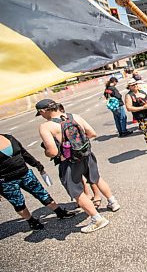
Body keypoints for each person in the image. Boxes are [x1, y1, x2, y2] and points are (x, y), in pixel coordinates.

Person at [36, 99, 121, 233]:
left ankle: (97, 219)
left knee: (77, 192)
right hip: (87, 154)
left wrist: (47, 152)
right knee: (97, 179)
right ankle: (113, 202)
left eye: (40, 113)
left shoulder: (46, 126)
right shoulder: (74, 116)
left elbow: (52, 151)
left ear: (43, 111)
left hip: (69, 161)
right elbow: (92, 133)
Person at [0, 134, 77, 231]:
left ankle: (59, 212)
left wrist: (37, 165)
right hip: (6, 182)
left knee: (42, 193)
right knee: (18, 203)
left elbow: (24, 153)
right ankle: (31, 221)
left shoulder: (8, 137)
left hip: (25, 174)